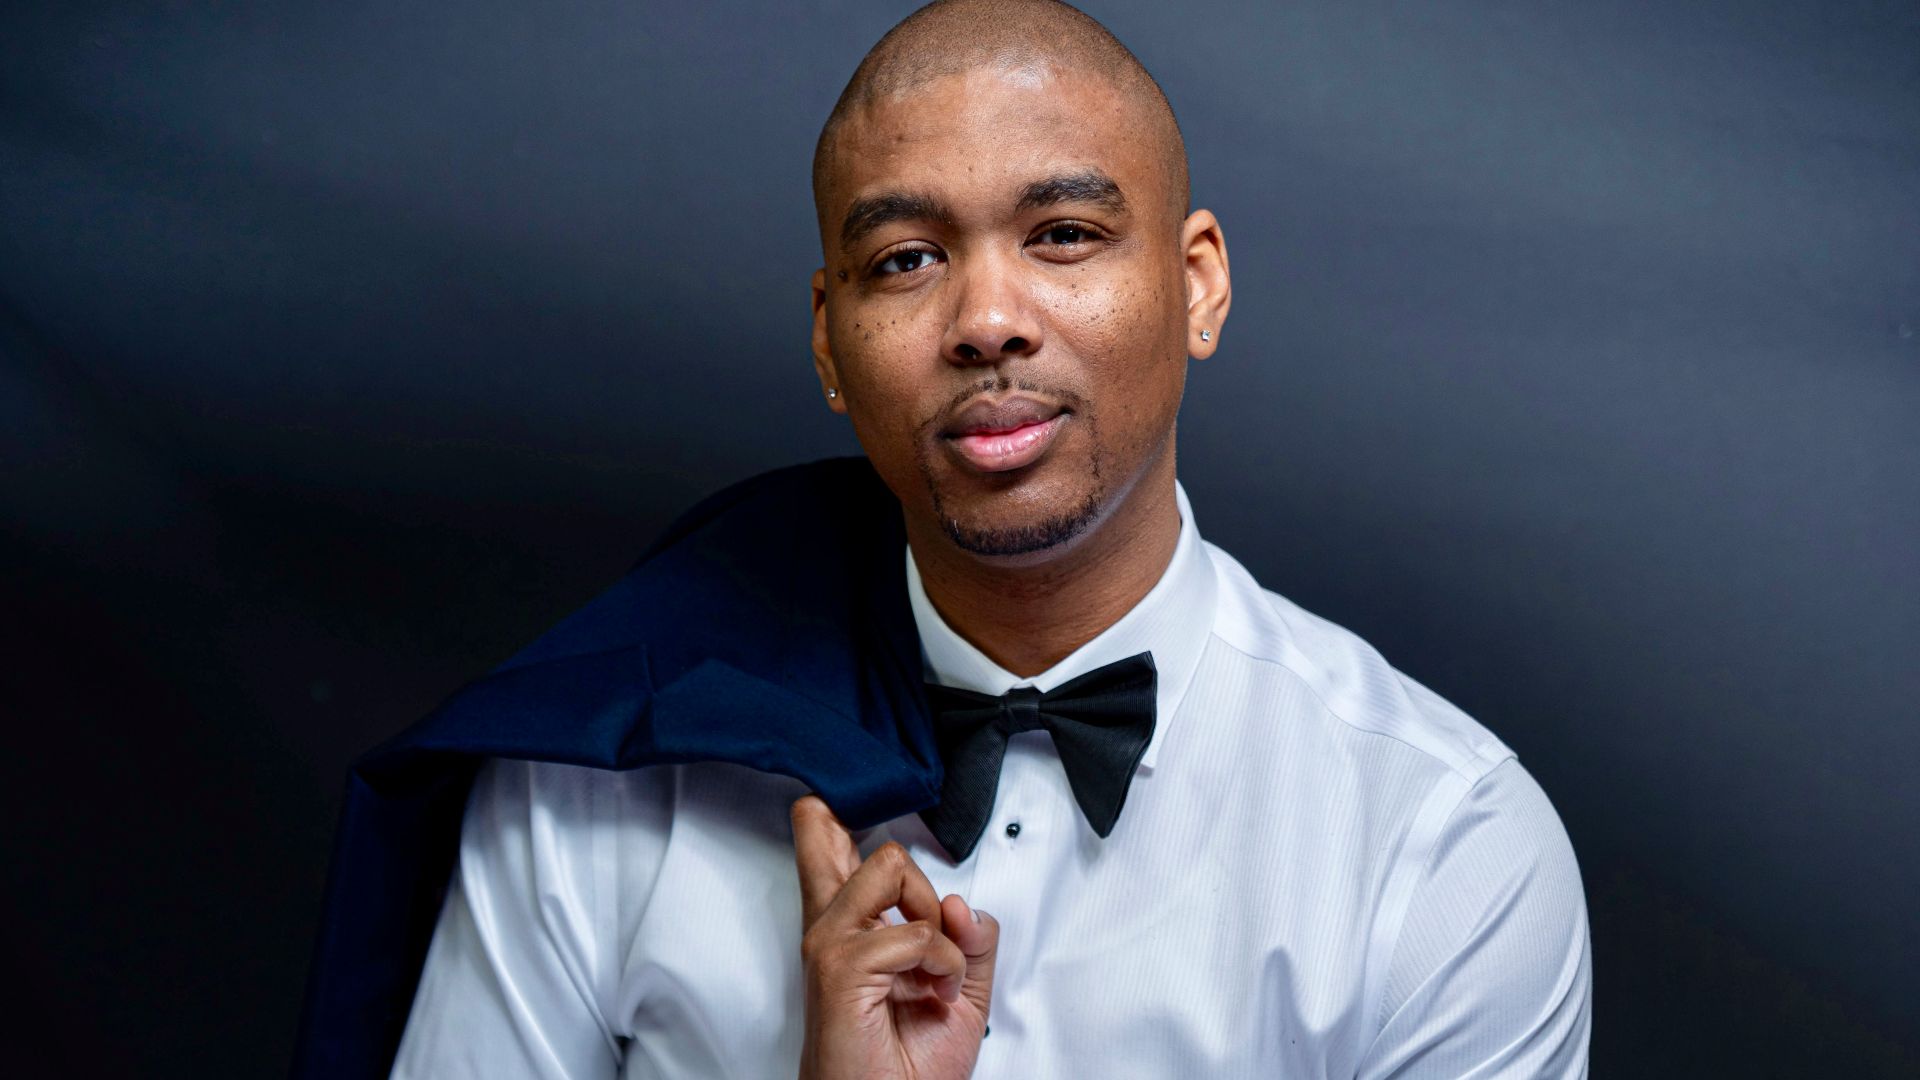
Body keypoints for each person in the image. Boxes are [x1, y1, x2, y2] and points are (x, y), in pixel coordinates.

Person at [340, 1, 1593, 1076]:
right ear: (829, 344)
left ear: (1197, 284)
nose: (988, 320)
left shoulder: (1442, 845)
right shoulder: (590, 786)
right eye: (907, 259)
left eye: (1063, 235)